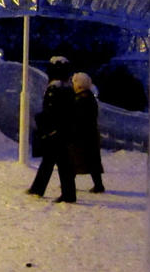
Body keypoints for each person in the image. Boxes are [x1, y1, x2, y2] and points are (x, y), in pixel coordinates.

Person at [28, 56, 77, 202]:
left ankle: (67, 194)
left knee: (59, 162)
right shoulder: (67, 88)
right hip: (62, 130)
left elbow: (51, 111)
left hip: (56, 131)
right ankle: (40, 188)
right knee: (53, 161)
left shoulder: (55, 88)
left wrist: (47, 127)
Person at [70, 72, 105, 193]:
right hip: (90, 134)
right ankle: (98, 185)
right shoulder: (89, 97)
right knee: (92, 161)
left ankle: (68, 183)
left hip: (81, 135)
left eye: (74, 82)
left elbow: (76, 117)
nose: (72, 85)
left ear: (79, 85)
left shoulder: (81, 99)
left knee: (74, 159)